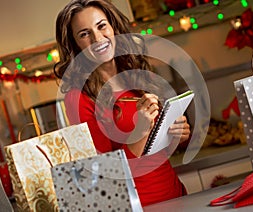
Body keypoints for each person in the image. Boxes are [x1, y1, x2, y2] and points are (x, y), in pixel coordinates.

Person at [54, 0, 191, 207]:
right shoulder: (79, 97)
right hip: (139, 205)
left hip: (176, 194)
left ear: (113, 27)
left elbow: (154, 151)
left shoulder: (135, 76)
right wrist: (140, 131)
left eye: (101, 26)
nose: (97, 38)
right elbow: (103, 173)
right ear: (75, 45)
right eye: (84, 34)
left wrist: (177, 135)